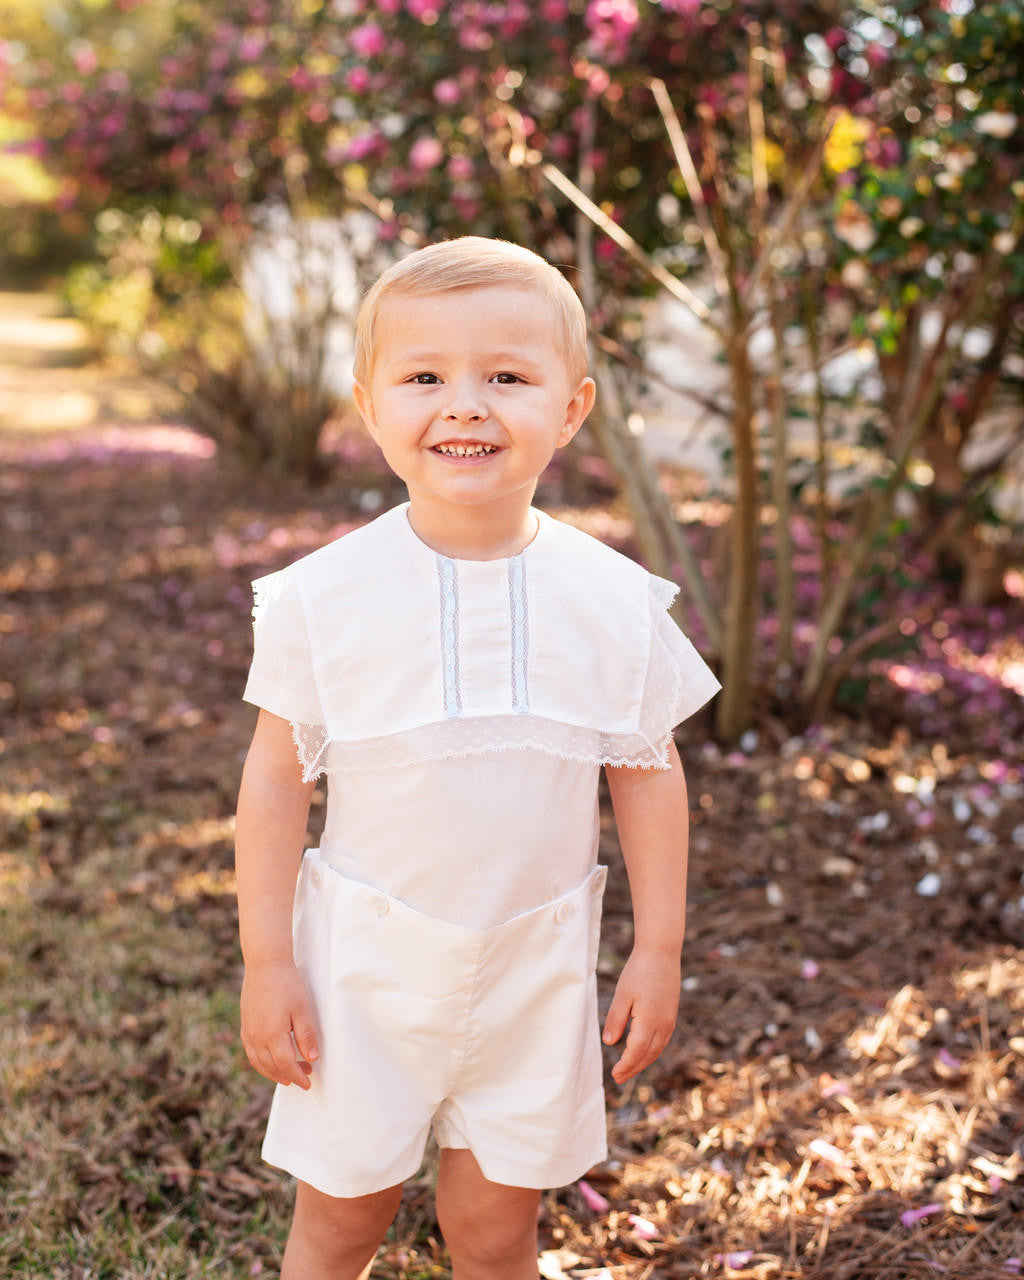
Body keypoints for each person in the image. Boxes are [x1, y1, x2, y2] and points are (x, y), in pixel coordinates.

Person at [234, 236, 720, 1280]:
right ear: (369, 405)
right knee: (339, 1225)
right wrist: (268, 962)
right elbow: (276, 781)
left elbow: (645, 769)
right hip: (361, 974)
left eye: (506, 376)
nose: (465, 405)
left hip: (533, 969)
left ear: (573, 407)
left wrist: (659, 947)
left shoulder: (611, 601)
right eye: (424, 377)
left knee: (497, 1230)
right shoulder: (327, 597)